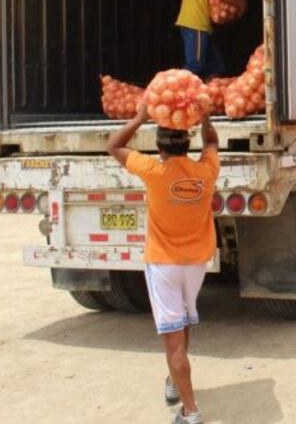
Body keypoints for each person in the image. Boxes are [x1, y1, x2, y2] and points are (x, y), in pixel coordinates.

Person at [106, 103, 220, 424]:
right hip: (196, 262)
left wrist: (142, 117)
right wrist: (206, 116)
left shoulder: (153, 171)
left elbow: (113, 145)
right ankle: (174, 381)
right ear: (187, 144)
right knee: (181, 322)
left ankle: (191, 411)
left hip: (164, 264)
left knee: (172, 339)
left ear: (158, 148)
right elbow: (211, 142)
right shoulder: (205, 171)